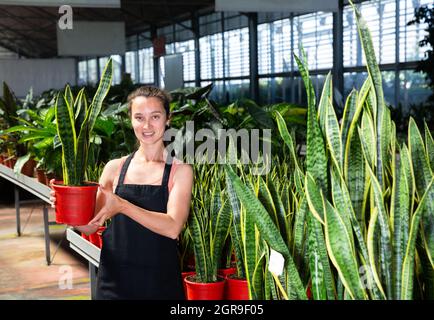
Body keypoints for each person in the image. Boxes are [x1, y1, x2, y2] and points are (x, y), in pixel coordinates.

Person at [50, 86, 193, 300]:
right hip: (114, 281)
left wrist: (123, 206)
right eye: (139, 117)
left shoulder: (180, 171)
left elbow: (173, 227)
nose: (146, 125)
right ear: (130, 120)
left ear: (168, 119)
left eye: (155, 116)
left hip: (160, 282)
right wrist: (67, 209)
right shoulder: (114, 168)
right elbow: (91, 226)